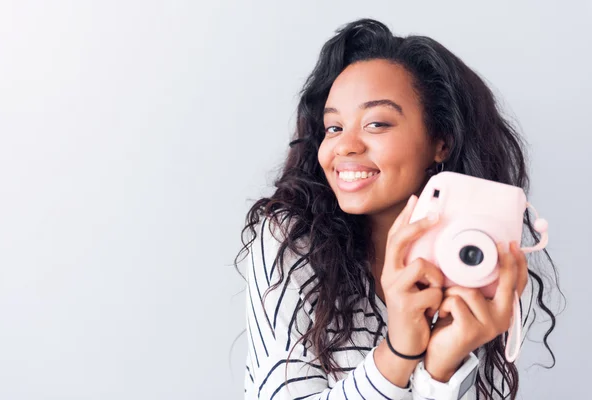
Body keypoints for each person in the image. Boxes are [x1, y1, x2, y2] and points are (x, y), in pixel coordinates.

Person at [235, 18, 559, 400]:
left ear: (440, 142)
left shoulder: (476, 257)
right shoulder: (291, 241)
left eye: (376, 124)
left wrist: (441, 369)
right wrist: (398, 353)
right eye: (333, 128)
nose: (345, 147)